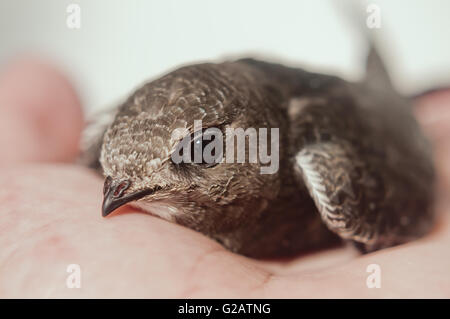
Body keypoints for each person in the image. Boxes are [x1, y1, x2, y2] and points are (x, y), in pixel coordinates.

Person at [0, 58, 449, 298]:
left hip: (363, 106)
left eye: (203, 151)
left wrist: (399, 113)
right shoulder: (121, 149)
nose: (118, 191)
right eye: (117, 167)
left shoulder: (324, 158)